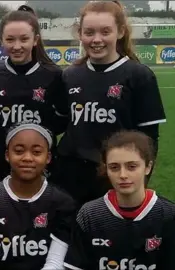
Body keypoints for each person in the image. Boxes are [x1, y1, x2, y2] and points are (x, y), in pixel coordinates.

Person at [51, 0, 166, 205]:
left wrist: (140, 180)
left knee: (109, 234)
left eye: (105, 32)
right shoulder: (69, 75)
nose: (97, 39)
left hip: (113, 175)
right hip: (69, 174)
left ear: (120, 32)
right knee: (70, 234)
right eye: (89, 32)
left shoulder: (139, 75)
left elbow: (149, 138)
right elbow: (58, 125)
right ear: (80, 34)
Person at [63, 131, 175, 270]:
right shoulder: (90, 215)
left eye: (132, 166)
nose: (123, 175)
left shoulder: (171, 217)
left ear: (148, 167)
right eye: (114, 167)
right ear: (106, 169)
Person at [0, 122, 76, 269]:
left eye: (37, 152)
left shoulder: (62, 202)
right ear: (7, 155)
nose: (27, 158)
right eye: (19, 151)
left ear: (48, 157)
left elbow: (55, 263)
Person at [0, 5, 66, 187]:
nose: (17, 46)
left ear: (35, 40)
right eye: (10, 39)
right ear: (1, 41)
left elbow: (61, 119)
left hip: (39, 160)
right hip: (0, 158)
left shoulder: (53, 74)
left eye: (24, 39)